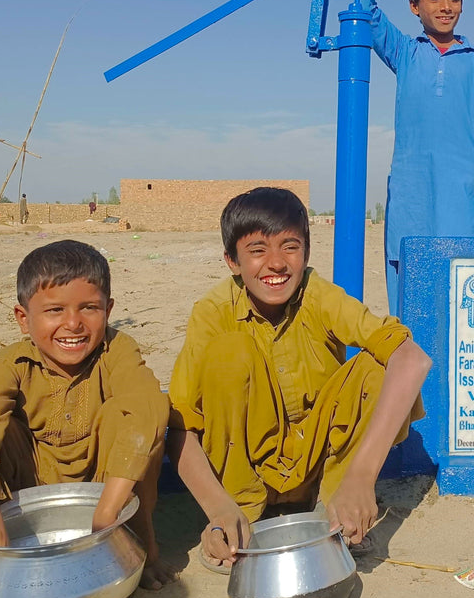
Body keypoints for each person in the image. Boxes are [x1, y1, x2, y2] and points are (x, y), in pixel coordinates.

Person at [168, 187, 432, 571]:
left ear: (306, 252)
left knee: (377, 366)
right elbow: (181, 426)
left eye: (289, 247)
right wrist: (217, 508)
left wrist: (361, 476)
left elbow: (412, 359)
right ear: (232, 261)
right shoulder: (212, 312)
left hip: (315, 469)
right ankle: (240, 521)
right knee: (229, 354)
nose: (276, 264)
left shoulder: (318, 295)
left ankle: (339, 510)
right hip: (246, 478)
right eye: (257, 251)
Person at [0, 240, 174, 589]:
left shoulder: (118, 351)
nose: (73, 324)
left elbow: (148, 409)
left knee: (135, 418)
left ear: (108, 310)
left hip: (108, 492)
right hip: (30, 495)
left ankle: (143, 547)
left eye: (89, 308)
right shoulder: (12, 364)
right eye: (54, 311)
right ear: (24, 318)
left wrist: (107, 515)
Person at [368, 0, 474, 315]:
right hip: (412, 191)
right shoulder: (405, 53)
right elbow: (363, 6)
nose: (446, 7)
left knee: (462, 287)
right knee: (408, 283)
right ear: (414, 6)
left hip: (464, 190)